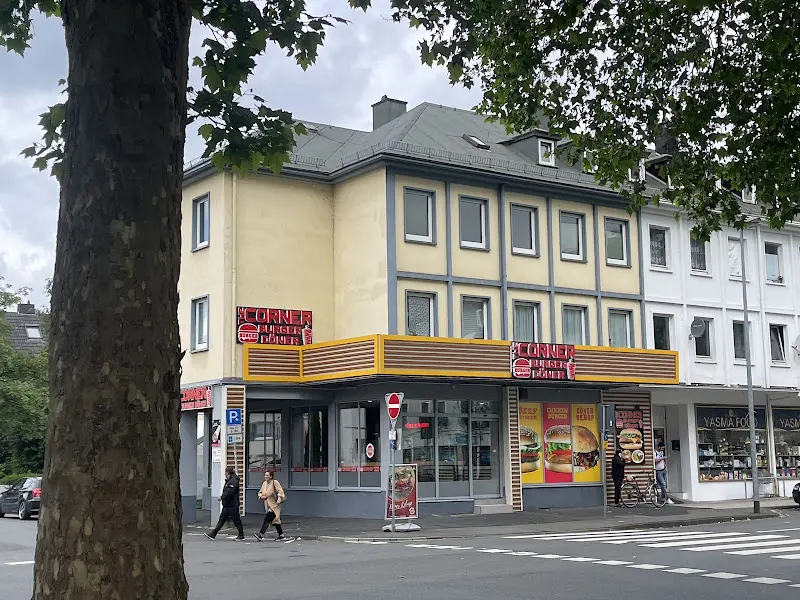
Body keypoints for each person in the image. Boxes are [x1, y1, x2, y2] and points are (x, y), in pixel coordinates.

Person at [205, 467, 245, 541]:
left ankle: (241, 535)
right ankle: (213, 534)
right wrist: (223, 497)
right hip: (227, 505)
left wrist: (222, 497)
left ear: (227, 473)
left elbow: (230, 492)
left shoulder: (233, 481)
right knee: (222, 520)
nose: (225, 474)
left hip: (232, 505)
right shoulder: (230, 480)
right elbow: (228, 491)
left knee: (236, 520)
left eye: (225, 473)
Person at [253, 470, 286, 541]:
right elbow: (260, 492)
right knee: (275, 520)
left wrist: (279, 499)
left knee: (267, 519)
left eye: (267, 475)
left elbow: (280, 491)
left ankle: (261, 534)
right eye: (265, 475)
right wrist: (261, 496)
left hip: (275, 504)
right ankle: (281, 534)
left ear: (271, 476)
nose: (265, 477)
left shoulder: (275, 482)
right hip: (268, 504)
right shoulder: (264, 484)